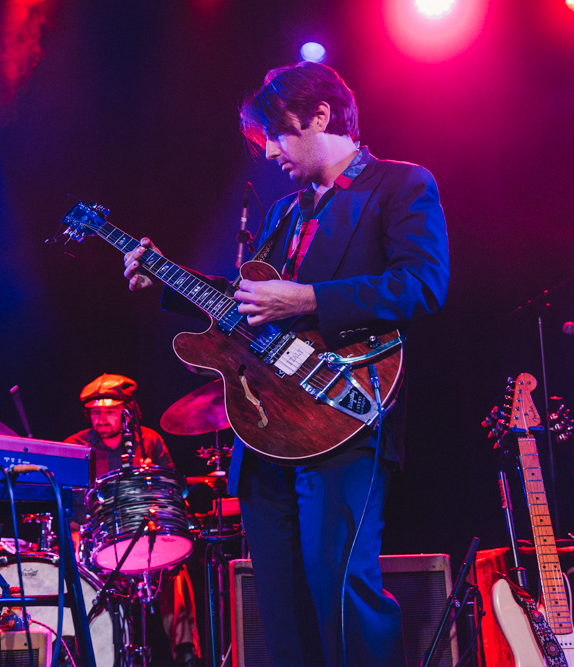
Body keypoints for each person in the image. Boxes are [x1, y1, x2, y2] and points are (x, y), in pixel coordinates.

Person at [122, 62, 449, 666]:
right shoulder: (283, 214)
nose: (269, 153)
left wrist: (309, 299)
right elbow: (245, 306)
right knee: (281, 610)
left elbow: (422, 285)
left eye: (276, 135)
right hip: (265, 429)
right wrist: (168, 279)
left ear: (320, 116)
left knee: (343, 595)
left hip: (341, 419)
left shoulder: (400, 184)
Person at [65, 373, 201, 667]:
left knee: (174, 569)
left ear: (127, 412)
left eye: (109, 412)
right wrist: (74, 535)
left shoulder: (148, 440)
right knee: (73, 572)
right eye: (95, 412)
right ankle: (88, 655)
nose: (101, 419)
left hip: (143, 534)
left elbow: (173, 494)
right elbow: (63, 505)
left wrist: (152, 482)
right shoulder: (75, 447)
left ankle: (186, 654)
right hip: (92, 540)